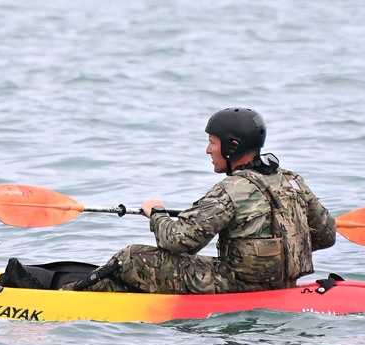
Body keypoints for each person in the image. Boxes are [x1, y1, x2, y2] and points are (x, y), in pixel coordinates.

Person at [78, 107, 336, 294]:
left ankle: (70, 295)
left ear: (232, 147)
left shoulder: (231, 190)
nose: (208, 150)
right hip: (283, 284)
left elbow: (179, 242)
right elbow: (327, 236)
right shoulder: (293, 182)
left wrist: (156, 214)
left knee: (131, 257)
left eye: (212, 143)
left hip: (240, 286)